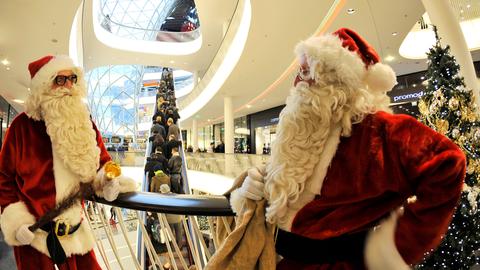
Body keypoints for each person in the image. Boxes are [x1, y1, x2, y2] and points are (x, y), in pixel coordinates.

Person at [231, 28, 466, 269]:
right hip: (281, 259)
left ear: (336, 80)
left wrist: (396, 246)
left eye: (307, 71)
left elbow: (449, 163)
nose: (298, 81)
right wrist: (262, 185)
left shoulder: (380, 131)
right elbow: (298, 181)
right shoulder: (304, 124)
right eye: (299, 71)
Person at [0, 55, 137, 270]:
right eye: (60, 80)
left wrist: (109, 182)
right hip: (34, 238)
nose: (69, 86)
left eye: (72, 78)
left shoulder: (84, 123)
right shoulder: (21, 127)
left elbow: (104, 164)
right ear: (43, 87)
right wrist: (16, 222)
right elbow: (4, 179)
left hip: (76, 235)